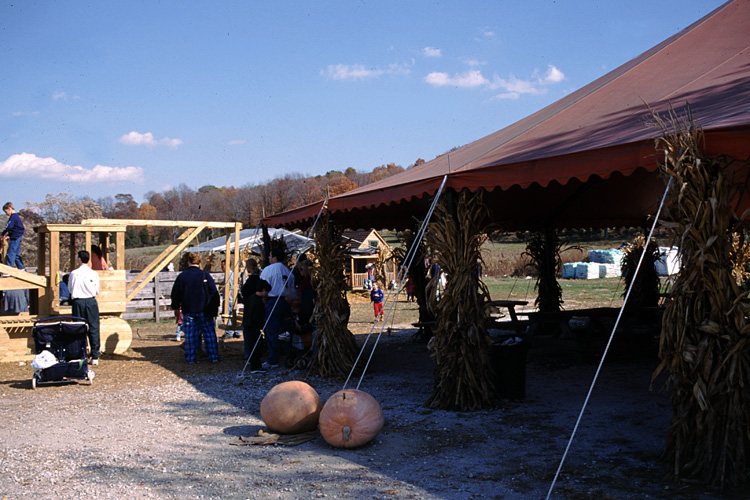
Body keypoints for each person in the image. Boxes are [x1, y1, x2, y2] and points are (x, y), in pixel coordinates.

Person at [170, 252, 220, 364]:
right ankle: (213, 357)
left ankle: (190, 359)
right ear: (199, 262)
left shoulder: (182, 276)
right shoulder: (205, 275)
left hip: (189, 310)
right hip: (205, 310)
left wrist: (176, 308)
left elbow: (176, 294)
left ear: (188, 262)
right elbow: (214, 293)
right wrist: (215, 308)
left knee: (190, 336)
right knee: (209, 334)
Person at [259, 247, 294, 369]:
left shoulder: (268, 270)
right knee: (286, 331)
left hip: (272, 300)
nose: (268, 258)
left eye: (269, 255)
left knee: (271, 331)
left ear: (274, 257)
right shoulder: (288, 271)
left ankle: (273, 359)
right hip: (286, 301)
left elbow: (263, 287)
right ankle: (288, 356)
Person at [69, 250, 101, 365]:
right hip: (91, 301)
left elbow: (70, 289)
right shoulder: (94, 273)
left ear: (79, 259)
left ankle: (79, 353)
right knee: (93, 327)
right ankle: (95, 356)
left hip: (78, 301)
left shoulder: (73, 273)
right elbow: (96, 289)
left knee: (78, 328)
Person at [243, 278, 271, 373]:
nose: (267, 294)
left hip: (248, 325)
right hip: (253, 326)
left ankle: (253, 362)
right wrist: (262, 326)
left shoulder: (251, 298)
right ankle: (255, 366)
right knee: (257, 346)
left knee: (251, 344)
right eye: (266, 291)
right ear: (263, 290)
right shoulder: (258, 302)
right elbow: (257, 317)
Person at [220, 259, 241, 339]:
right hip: (231, 299)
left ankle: (229, 332)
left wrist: (226, 298)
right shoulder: (229, 274)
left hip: (229, 299)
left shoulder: (229, 275)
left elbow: (230, 287)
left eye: (223, 265)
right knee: (233, 316)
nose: (222, 267)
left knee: (226, 315)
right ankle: (236, 332)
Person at [2, 202, 25, 270]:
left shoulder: (13, 217)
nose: (6, 214)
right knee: (16, 255)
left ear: (9, 208)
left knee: (10, 254)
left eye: (6, 212)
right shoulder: (16, 217)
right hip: (18, 236)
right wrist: (9, 235)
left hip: (15, 238)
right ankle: (22, 269)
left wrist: (2, 234)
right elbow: (15, 228)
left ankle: (10, 270)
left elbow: (8, 227)